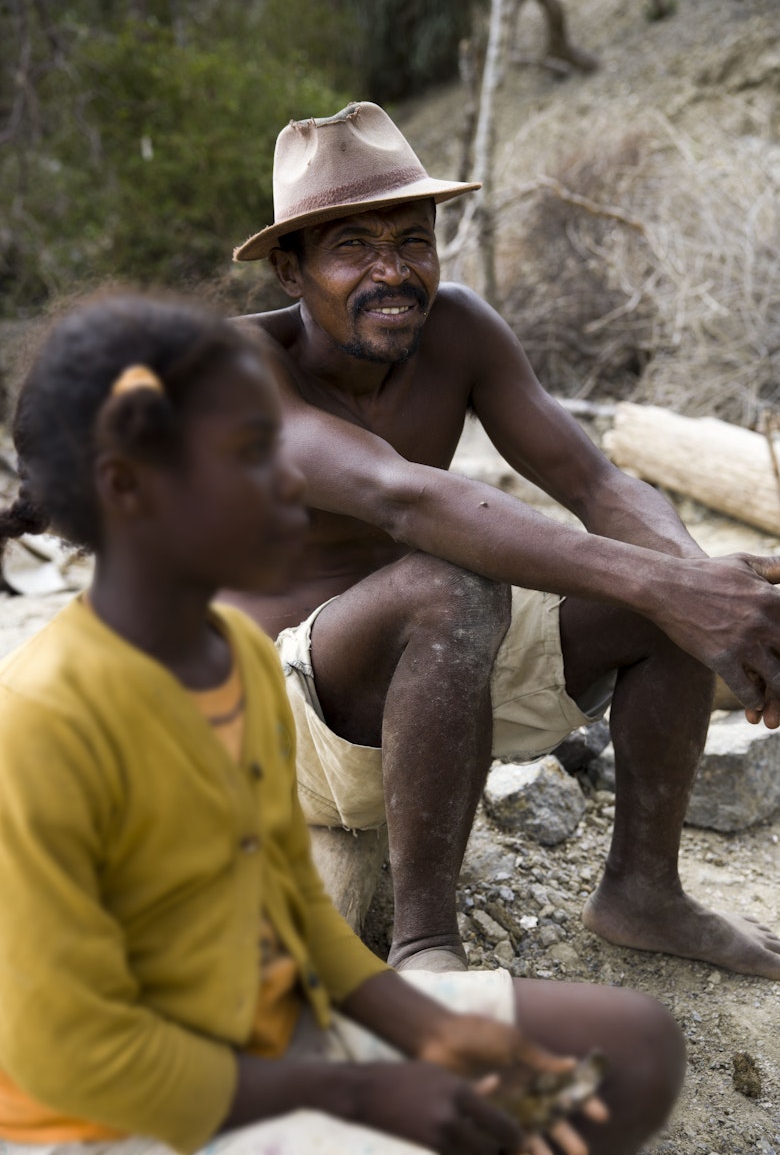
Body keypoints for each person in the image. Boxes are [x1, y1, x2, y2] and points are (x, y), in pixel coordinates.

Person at [0, 290, 686, 1155]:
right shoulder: (44, 721)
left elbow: (283, 901)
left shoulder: (231, 664)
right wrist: (361, 1095)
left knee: (637, 1050)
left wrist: (423, 1029)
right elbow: (65, 1055)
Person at [228, 100, 780, 978]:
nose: (392, 271)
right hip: (276, 722)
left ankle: (644, 891)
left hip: (435, 685)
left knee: (680, 578)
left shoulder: (458, 330)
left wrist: (716, 602)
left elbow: (598, 485)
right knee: (453, 581)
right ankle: (424, 945)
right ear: (289, 272)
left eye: (412, 239)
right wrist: (676, 590)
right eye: (351, 249)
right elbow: (398, 496)